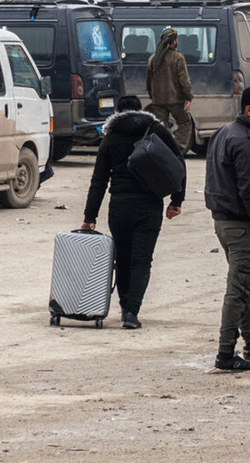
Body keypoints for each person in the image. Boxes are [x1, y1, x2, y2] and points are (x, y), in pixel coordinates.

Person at [82, 95, 185, 330]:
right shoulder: (157, 130)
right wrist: (176, 200)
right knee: (142, 259)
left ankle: (124, 305)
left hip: (120, 205)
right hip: (149, 206)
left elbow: (98, 180)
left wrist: (90, 217)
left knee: (123, 258)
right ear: (141, 110)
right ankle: (132, 311)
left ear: (118, 112)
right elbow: (178, 165)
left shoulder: (111, 137)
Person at [204, 85, 250, 371]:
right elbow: (249, 187)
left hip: (224, 221)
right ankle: (225, 354)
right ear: (249, 110)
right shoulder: (245, 141)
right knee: (238, 288)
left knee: (244, 283)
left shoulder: (225, 132)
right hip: (241, 224)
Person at [147, 28, 194, 154]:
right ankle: (177, 147)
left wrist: (153, 97)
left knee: (160, 127)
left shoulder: (152, 59)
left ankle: (161, 149)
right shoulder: (178, 58)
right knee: (185, 123)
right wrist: (188, 97)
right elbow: (184, 81)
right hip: (176, 100)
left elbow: (149, 81)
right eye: (176, 39)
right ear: (172, 42)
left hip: (158, 100)